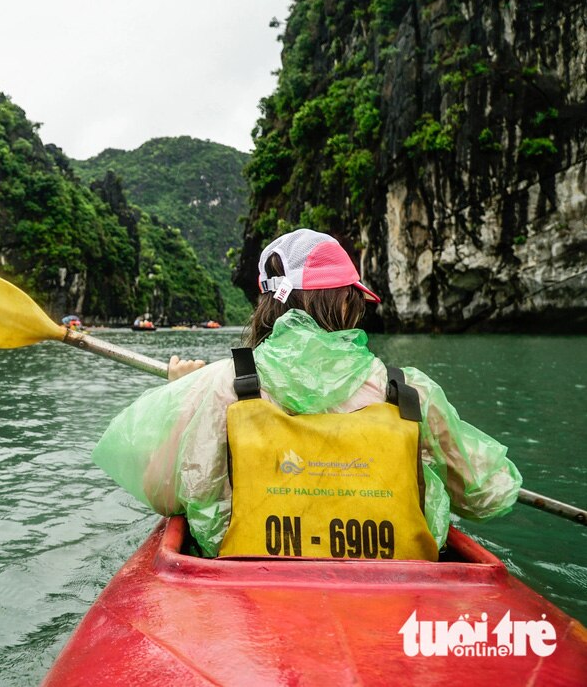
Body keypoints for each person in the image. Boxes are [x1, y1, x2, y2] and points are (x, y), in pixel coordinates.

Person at [93, 228, 521, 559]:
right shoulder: (407, 391)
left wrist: (181, 399)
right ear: (351, 303)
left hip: (251, 583)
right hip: (393, 583)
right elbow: (489, 496)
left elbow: (162, 491)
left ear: (268, 305)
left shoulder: (224, 385)